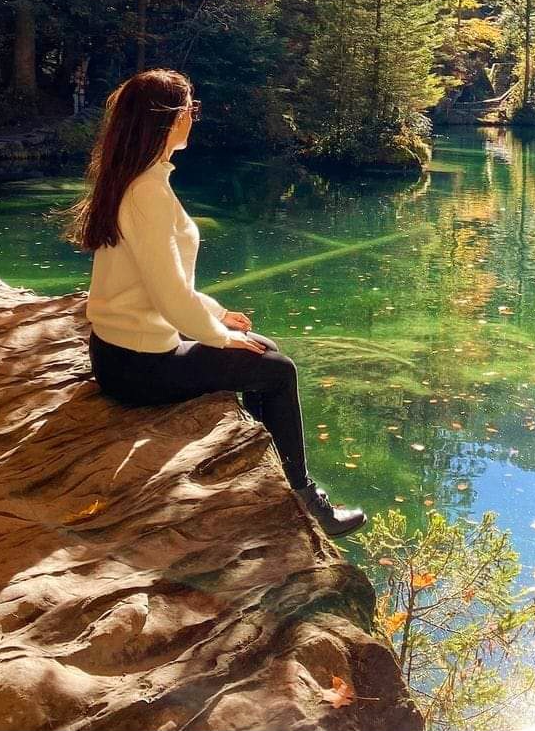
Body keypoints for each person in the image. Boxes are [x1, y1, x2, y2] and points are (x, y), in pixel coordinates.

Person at [65, 68, 366, 539]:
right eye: (191, 108)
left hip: (120, 349)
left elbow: (157, 283)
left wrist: (217, 314)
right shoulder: (147, 193)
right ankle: (303, 501)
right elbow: (169, 298)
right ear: (169, 119)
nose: (193, 117)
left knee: (262, 351)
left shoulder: (138, 181)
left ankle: (271, 477)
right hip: (138, 366)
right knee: (278, 371)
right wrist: (219, 336)